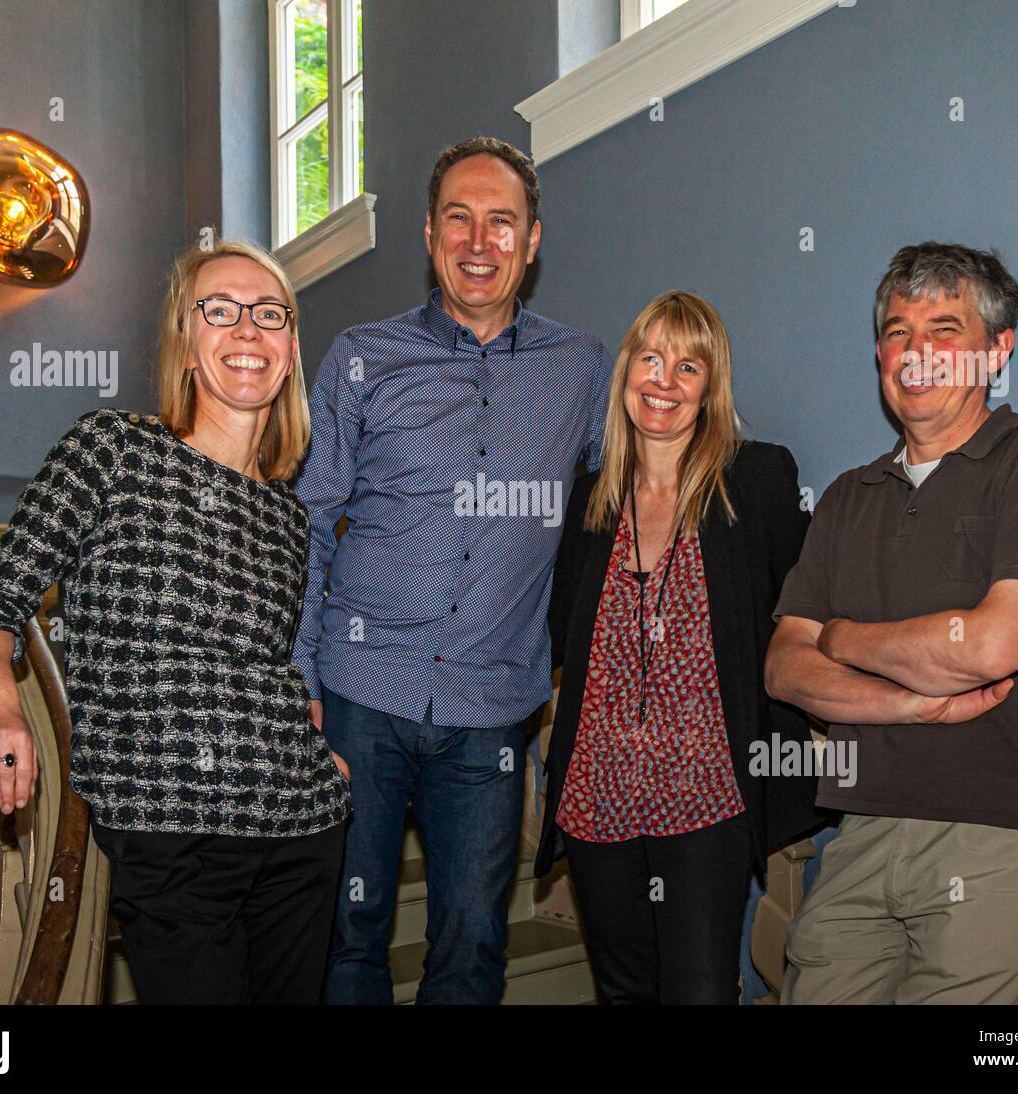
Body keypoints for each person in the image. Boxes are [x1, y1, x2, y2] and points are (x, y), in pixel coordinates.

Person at [0, 239, 350, 1004]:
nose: (247, 331)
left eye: (270, 315)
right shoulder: (110, 450)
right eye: (220, 311)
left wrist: (315, 752)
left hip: (302, 828)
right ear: (185, 341)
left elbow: (264, 662)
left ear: (291, 349)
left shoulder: (288, 516)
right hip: (167, 828)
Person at [293, 137, 613, 1004]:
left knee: (471, 944)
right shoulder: (361, 356)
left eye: (501, 222)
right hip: (358, 690)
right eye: (459, 220)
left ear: (532, 240)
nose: (480, 242)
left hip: (492, 705)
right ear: (430, 235)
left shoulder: (583, 370)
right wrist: (300, 674)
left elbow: (632, 496)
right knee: (344, 933)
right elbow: (313, 518)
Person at [766, 241, 1018, 1004]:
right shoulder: (848, 497)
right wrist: (912, 702)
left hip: (1000, 825)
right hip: (861, 823)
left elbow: (991, 646)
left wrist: (844, 637)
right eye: (899, 331)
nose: (917, 352)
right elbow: (784, 668)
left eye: (945, 329)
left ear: (997, 352)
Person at [535, 290, 821, 1004]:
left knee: (698, 991)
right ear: (625, 370)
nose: (663, 381)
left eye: (687, 367)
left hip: (706, 797)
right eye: (650, 359)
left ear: (709, 388)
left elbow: (808, 613)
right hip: (598, 801)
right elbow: (552, 631)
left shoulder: (754, 481)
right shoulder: (590, 500)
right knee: (624, 992)